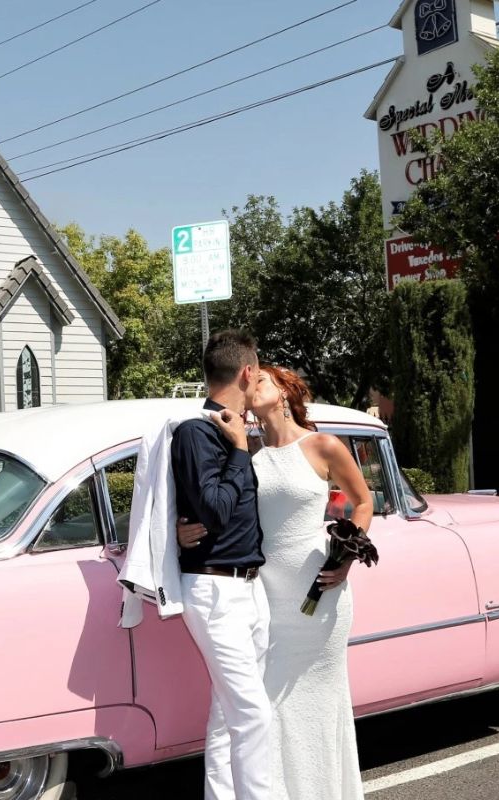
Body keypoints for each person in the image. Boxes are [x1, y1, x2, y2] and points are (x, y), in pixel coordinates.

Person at [182, 365, 373, 800]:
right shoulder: (245, 451)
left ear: (284, 392)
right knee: (267, 708)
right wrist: (180, 528)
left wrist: (347, 557)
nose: (252, 386)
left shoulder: (322, 445)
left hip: (319, 592)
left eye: (262, 380)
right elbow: (217, 507)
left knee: (319, 702)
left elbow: (362, 502)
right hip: (265, 599)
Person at [170, 330, 277, 800]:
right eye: (259, 374)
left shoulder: (238, 432)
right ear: (247, 372)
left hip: (250, 588)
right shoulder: (197, 432)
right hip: (215, 590)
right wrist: (237, 449)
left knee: (227, 712)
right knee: (253, 713)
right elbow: (213, 510)